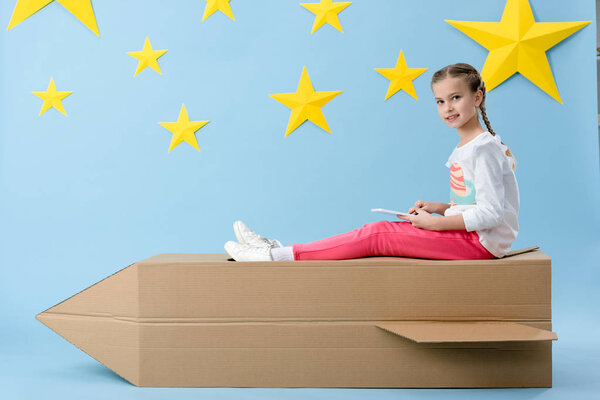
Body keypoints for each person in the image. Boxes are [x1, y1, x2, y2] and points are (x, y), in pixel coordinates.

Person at [224, 63, 519, 261]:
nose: (448, 107)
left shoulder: (482, 149)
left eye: (456, 97)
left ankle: (275, 256)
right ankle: (278, 250)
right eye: (440, 101)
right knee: (375, 229)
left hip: (480, 245)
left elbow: (491, 214)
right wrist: (439, 209)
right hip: (471, 237)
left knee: (377, 235)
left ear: (477, 97)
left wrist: (437, 225)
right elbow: (478, 204)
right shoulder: (468, 146)